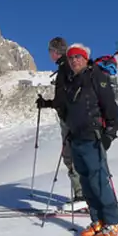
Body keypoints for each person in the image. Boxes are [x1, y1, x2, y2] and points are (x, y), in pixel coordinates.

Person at [60, 43, 118, 236]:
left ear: (86, 58)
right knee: (87, 183)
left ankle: (114, 224)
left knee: (99, 182)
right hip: (77, 138)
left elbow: (111, 109)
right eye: (70, 58)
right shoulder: (72, 82)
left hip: (94, 138)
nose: (74, 61)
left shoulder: (97, 77)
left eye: (77, 57)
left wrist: (109, 134)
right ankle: (98, 221)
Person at [35, 37, 84, 209]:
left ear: (55, 52)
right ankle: (85, 194)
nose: (49, 55)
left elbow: (62, 99)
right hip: (75, 117)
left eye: (49, 51)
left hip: (70, 119)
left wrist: (47, 103)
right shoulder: (68, 67)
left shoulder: (64, 69)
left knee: (71, 155)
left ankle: (81, 195)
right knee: (75, 154)